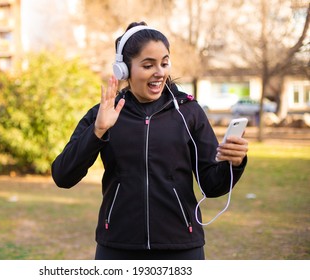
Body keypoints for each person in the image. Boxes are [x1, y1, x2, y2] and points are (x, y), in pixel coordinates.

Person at [51, 21, 249, 260]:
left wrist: (234, 163)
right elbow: (63, 176)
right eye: (148, 65)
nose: (160, 72)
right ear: (123, 70)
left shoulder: (189, 112)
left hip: (181, 247)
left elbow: (212, 185)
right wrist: (98, 131)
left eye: (164, 63)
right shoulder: (102, 114)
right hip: (117, 247)